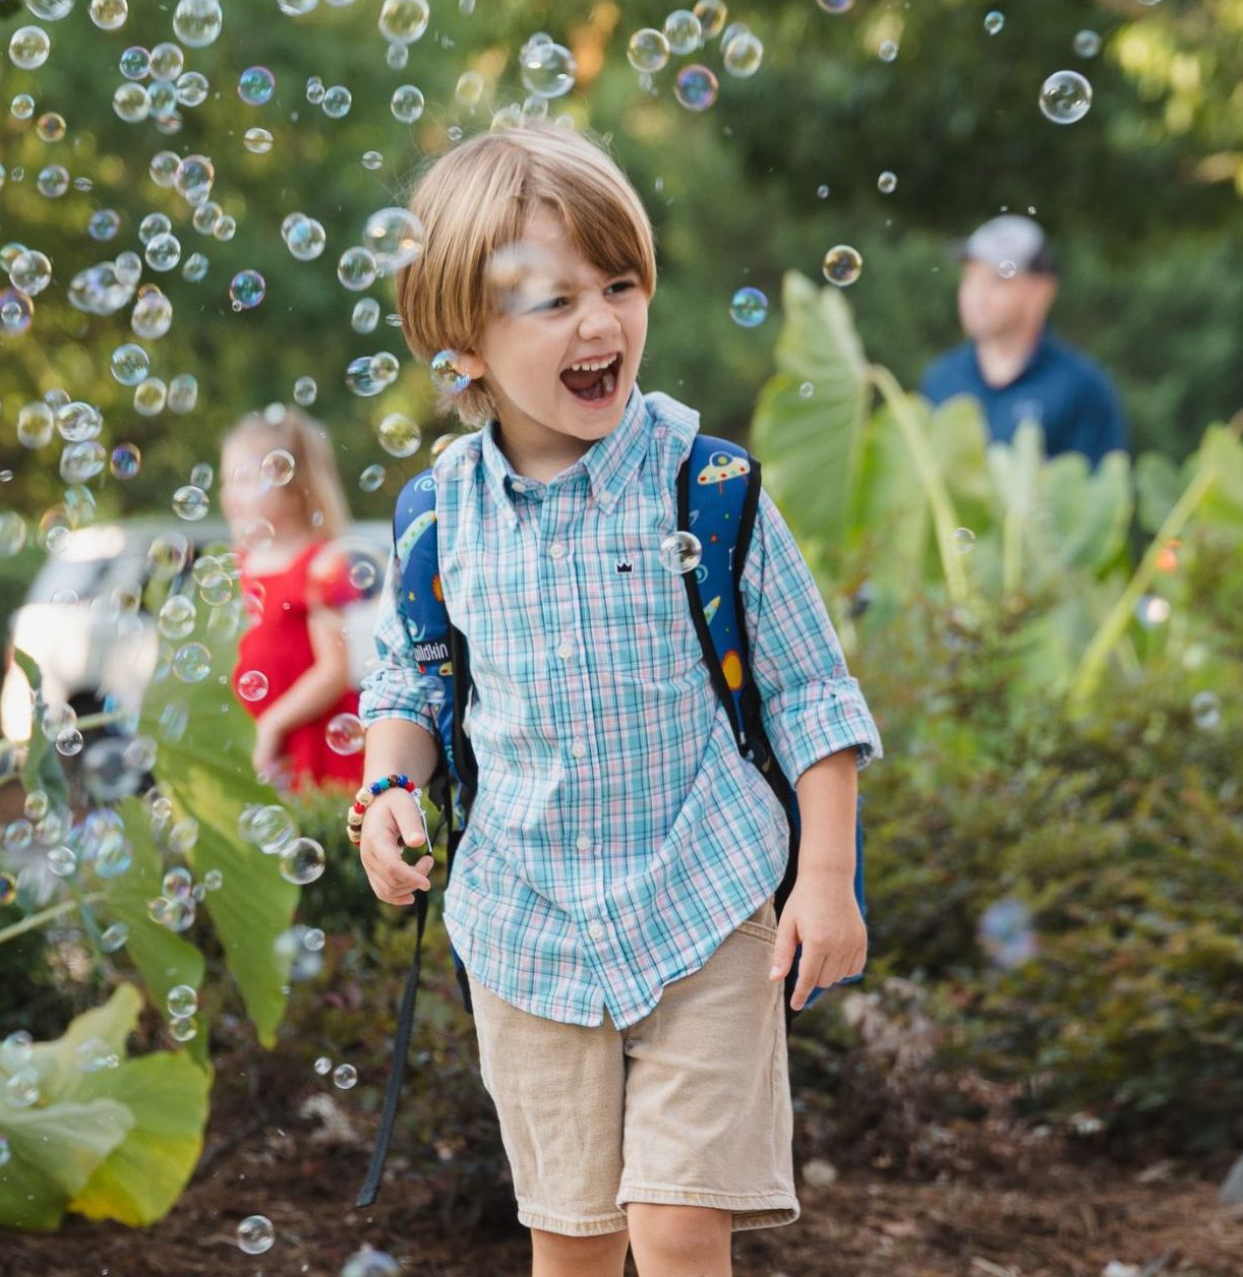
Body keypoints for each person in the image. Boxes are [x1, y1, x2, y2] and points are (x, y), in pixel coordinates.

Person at [355, 122, 884, 1277]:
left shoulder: (708, 489)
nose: (600, 325)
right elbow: (415, 678)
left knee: (680, 1222)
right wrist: (390, 787)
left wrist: (827, 879)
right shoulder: (440, 518)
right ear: (462, 349)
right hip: (527, 923)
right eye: (551, 302)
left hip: (703, 901)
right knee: (574, 1239)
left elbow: (808, 692)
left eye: (620, 283)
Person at [218, 405, 364, 792]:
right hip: (256, 742)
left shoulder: (320, 565)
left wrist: (274, 724)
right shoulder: (239, 566)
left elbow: (334, 671)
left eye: (246, 478)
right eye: (227, 480)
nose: (230, 493)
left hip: (310, 741)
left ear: (295, 484)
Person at [920, 214, 1129, 465]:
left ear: (1041, 291)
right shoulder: (940, 379)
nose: (977, 295)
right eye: (971, 277)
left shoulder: (1081, 389)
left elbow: (1101, 496)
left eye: (997, 280)